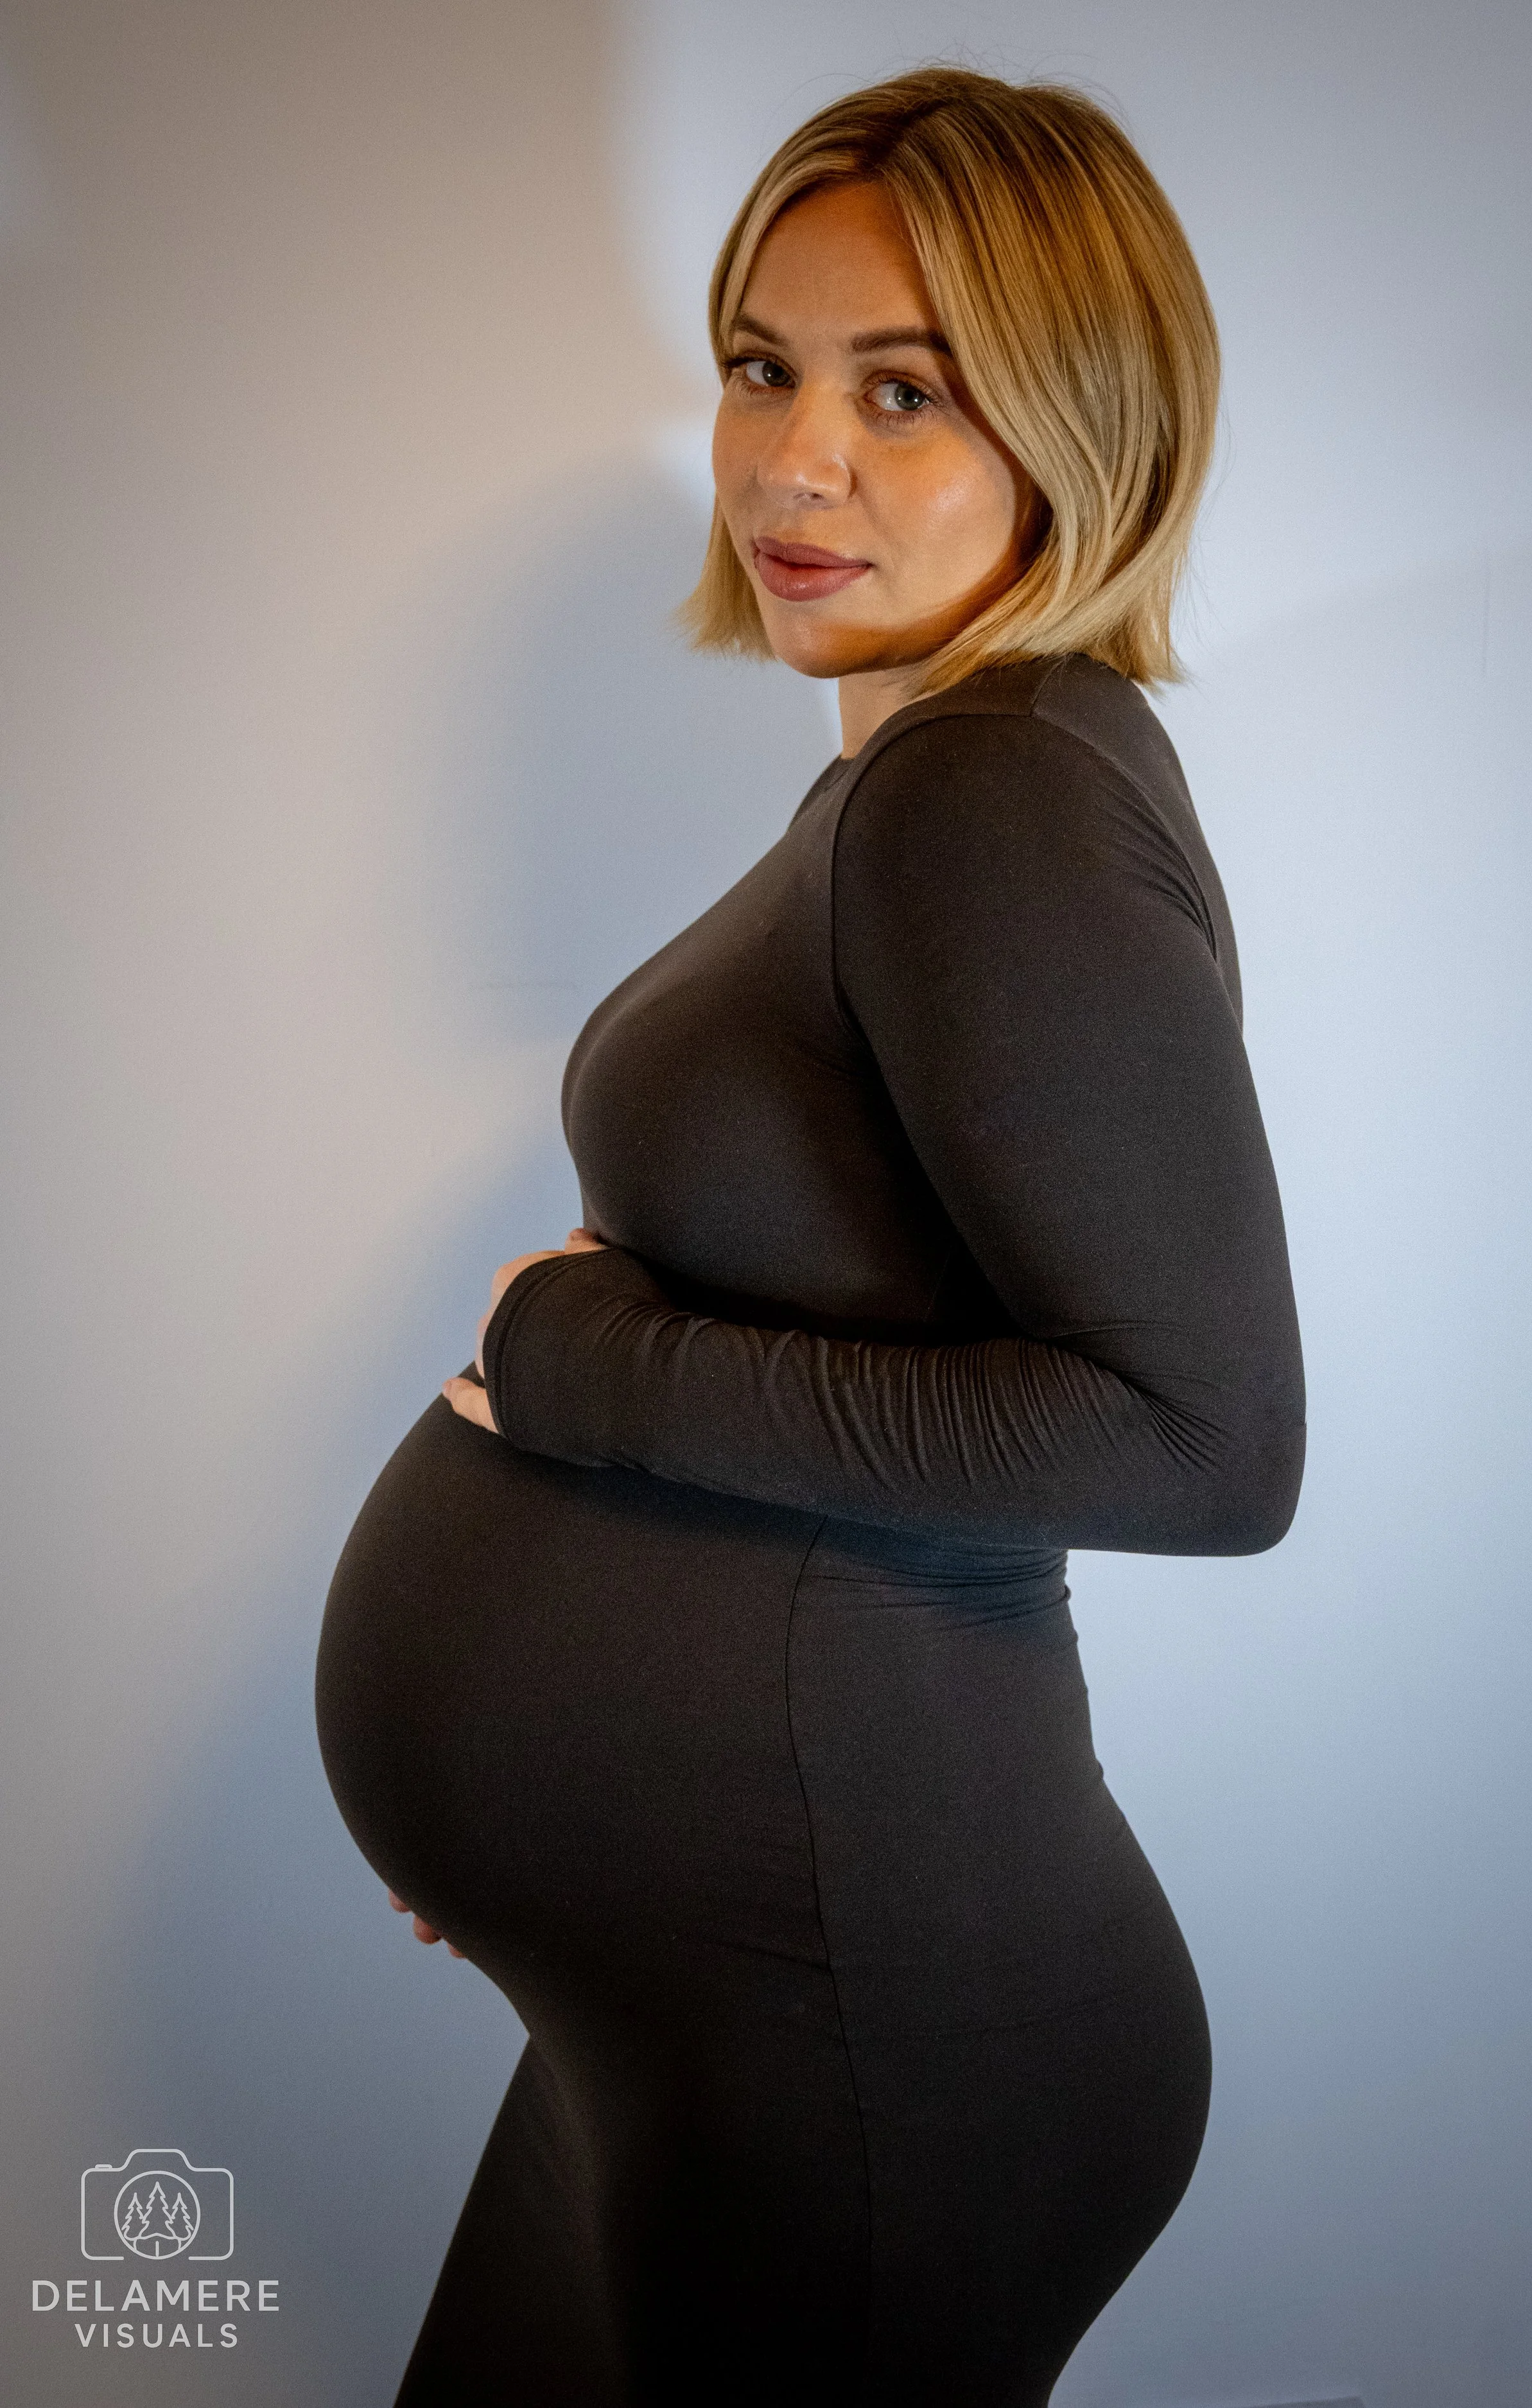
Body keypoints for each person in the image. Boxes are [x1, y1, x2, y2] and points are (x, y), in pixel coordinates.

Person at [316, 64, 1305, 2408]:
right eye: (762, 364)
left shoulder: (990, 801)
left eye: (905, 391)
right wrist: (570, 1848)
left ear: (1085, 422)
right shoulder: (935, 767)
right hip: (726, 1988)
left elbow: (1198, 1446)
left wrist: (592, 1379)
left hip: (862, 2037)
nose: (787, 464)